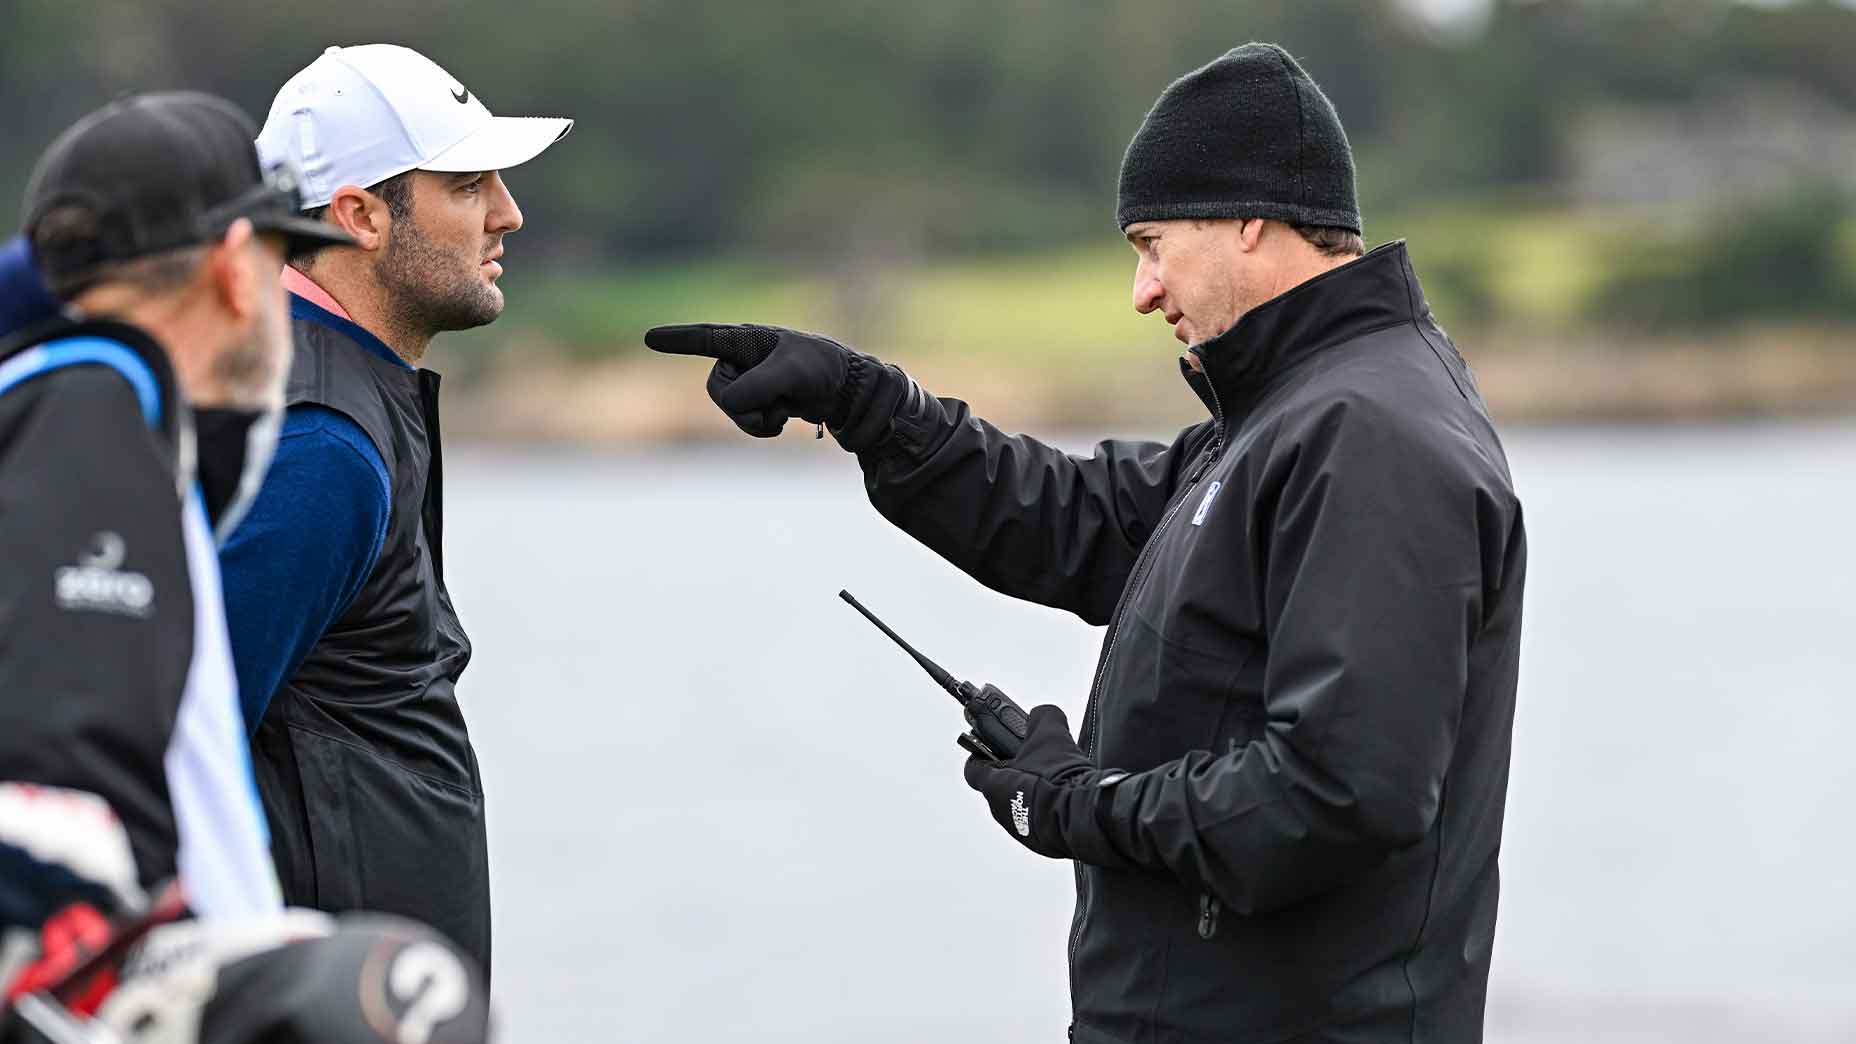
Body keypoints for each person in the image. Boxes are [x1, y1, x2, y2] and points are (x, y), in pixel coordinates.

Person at [650, 43, 1527, 1044]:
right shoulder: (1292, 415)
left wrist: (1081, 803)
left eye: (1151, 245)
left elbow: (1339, 794)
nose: (1141, 290)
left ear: (1246, 219)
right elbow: (1084, 523)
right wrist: (866, 404)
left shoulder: (1367, 435)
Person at [221, 44, 572, 973]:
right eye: (467, 184)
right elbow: (179, 740)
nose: (508, 212)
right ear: (360, 217)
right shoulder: (321, 443)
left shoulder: (331, 389)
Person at [0, 92, 353, 924]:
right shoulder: (91, 412)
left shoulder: (77, 407)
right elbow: (55, 808)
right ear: (236, 266)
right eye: (281, 265)